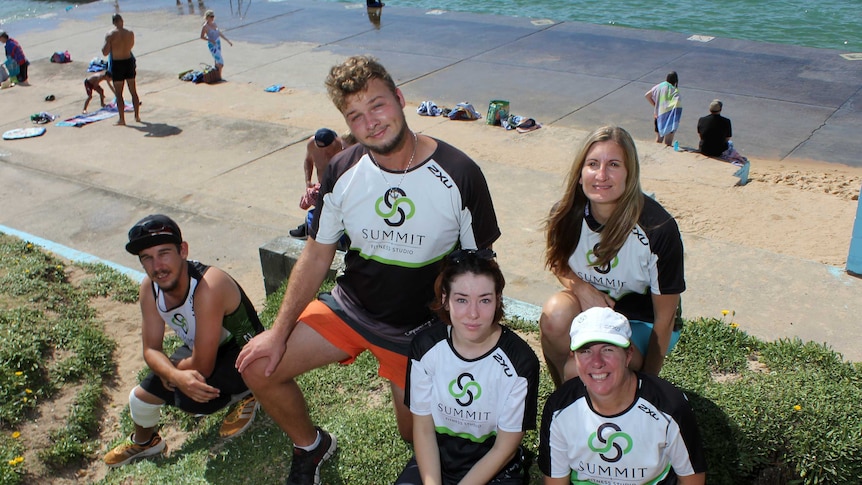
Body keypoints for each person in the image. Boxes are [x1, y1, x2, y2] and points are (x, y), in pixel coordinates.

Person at [235, 55, 500, 485]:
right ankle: (311, 446)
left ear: (399, 98)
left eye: (377, 105)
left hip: (417, 329)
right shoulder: (342, 169)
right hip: (351, 310)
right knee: (257, 365)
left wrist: (475, 348)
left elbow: (483, 268)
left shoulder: (460, 173)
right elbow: (316, 255)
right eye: (355, 116)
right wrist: (278, 332)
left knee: (414, 436)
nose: (371, 122)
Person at [103, 214, 264, 467]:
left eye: (164, 253)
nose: (157, 266)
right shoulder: (149, 287)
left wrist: (173, 373)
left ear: (183, 250)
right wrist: (174, 374)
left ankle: (250, 393)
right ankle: (146, 442)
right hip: (200, 350)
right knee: (140, 398)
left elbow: (203, 366)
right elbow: (150, 350)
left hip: (245, 352)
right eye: (147, 258)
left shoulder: (208, 286)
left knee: (191, 397)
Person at [540, 126, 684, 387]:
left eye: (614, 164)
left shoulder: (658, 230)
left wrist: (650, 386)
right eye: (593, 164)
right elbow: (559, 263)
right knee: (555, 316)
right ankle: (564, 397)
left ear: (630, 173)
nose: (602, 175)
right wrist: (581, 288)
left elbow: (666, 318)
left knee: (579, 369)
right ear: (580, 173)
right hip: (591, 310)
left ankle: (621, 391)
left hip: (643, 321)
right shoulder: (565, 215)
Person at [395, 249, 539, 485]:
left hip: (495, 470)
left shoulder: (520, 361)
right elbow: (422, 428)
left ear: (498, 300)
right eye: (462, 299)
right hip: (438, 462)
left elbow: (504, 448)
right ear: (445, 300)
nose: (473, 313)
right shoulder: (425, 347)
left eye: (484, 300)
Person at [539, 307, 707, 484]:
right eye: (585, 351)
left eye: (608, 349)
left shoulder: (670, 407)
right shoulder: (558, 408)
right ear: (574, 358)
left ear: (628, 355)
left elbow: (692, 480)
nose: (596, 362)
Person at [289, 128, 345, 240]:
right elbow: (308, 161)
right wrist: (308, 181)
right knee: (319, 208)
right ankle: (309, 227)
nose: (323, 152)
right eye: (320, 148)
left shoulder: (341, 147)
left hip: (338, 185)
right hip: (322, 184)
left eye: (326, 149)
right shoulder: (311, 144)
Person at [102, 14, 141, 125]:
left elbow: (105, 52)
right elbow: (130, 46)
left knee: (119, 94)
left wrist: (110, 44)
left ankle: (122, 119)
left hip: (118, 64)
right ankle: (137, 116)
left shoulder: (110, 35)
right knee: (133, 91)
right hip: (128, 61)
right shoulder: (130, 33)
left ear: (114, 22)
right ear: (122, 21)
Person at [645, 71, 681, 146]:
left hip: (658, 116)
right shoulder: (675, 91)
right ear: (676, 81)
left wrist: (655, 105)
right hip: (670, 119)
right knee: (668, 143)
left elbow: (647, 95)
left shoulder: (659, 86)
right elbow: (677, 106)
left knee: (658, 140)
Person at [201, 10, 233, 78]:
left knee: (217, 62)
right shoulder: (205, 27)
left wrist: (228, 41)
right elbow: (202, 37)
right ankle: (219, 77)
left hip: (218, 43)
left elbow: (219, 33)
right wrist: (210, 40)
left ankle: (216, 76)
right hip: (212, 45)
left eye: (213, 16)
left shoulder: (214, 24)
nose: (213, 18)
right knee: (220, 62)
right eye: (211, 16)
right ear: (207, 17)